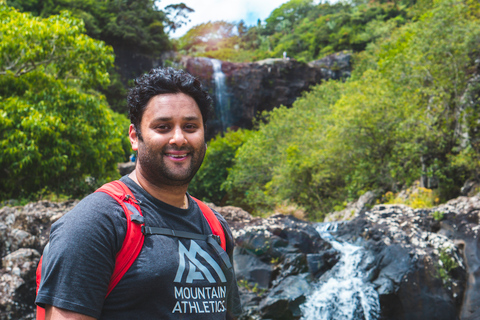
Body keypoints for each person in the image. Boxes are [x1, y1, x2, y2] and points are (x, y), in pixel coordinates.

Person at [35, 67, 242, 319]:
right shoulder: (96, 223)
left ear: (204, 134)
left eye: (190, 126)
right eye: (163, 127)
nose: (178, 138)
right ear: (135, 136)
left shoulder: (215, 227)